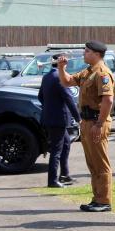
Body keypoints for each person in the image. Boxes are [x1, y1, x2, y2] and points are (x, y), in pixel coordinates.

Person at [57, 41, 113, 209]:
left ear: (96, 54)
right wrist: (61, 68)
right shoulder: (88, 72)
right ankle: (97, 198)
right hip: (87, 121)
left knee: (100, 162)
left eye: (87, 51)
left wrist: (100, 123)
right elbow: (67, 82)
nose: (84, 53)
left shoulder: (102, 73)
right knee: (92, 162)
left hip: (97, 121)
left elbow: (108, 100)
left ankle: (104, 200)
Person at [39, 53, 80, 188]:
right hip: (58, 119)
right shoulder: (59, 77)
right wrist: (79, 118)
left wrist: (50, 107)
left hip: (50, 118)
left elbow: (40, 97)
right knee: (57, 150)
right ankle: (52, 180)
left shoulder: (46, 76)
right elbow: (69, 99)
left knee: (66, 144)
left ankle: (64, 174)